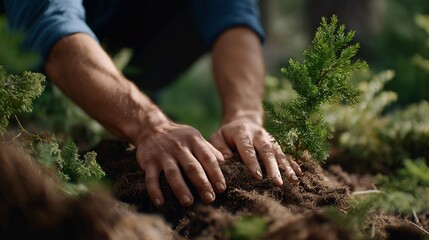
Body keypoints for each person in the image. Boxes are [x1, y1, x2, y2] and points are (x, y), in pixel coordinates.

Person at [4, 0, 302, 207]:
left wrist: (245, 114)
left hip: (133, 57)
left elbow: (234, 15)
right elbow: (52, 24)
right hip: (30, 79)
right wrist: (151, 125)